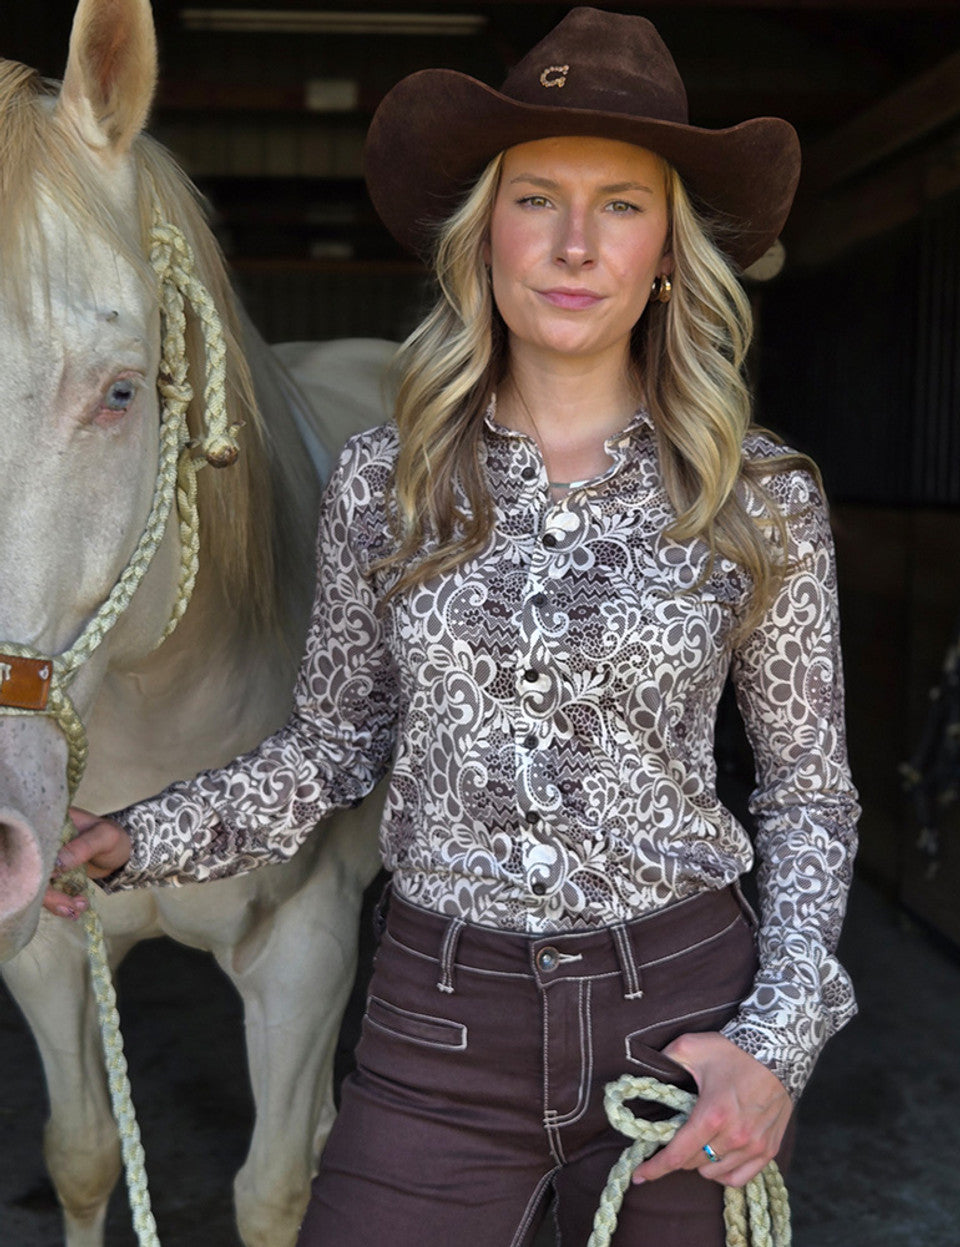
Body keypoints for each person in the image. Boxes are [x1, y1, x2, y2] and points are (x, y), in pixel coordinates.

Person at [48, 9, 859, 1246]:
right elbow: (334, 744)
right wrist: (135, 838)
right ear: (486, 236)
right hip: (439, 1020)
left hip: (684, 1023)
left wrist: (778, 1042)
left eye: (624, 206)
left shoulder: (760, 495)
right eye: (538, 198)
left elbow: (809, 795)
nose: (578, 243)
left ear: (670, 255)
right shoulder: (387, 480)